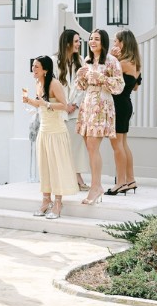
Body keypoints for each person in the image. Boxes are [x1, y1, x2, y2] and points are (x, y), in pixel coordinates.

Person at [23, 55, 78, 219]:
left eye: (36, 67)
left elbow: (64, 106)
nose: (33, 69)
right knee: (44, 167)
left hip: (56, 132)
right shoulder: (38, 83)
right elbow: (42, 106)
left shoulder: (54, 83)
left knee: (56, 168)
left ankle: (58, 203)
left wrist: (45, 104)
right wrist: (29, 101)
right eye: (33, 66)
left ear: (45, 70)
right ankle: (45, 200)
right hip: (44, 131)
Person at [74, 28, 123, 204]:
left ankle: (96, 187)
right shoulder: (87, 60)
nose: (92, 42)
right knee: (89, 146)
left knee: (93, 146)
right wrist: (80, 76)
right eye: (90, 39)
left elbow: (119, 86)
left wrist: (101, 77)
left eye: (96, 39)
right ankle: (96, 186)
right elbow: (81, 86)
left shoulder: (112, 61)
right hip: (88, 103)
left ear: (103, 42)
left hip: (102, 104)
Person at [106, 30, 142, 196]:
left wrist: (111, 58)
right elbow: (135, 87)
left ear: (123, 43)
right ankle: (130, 179)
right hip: (126, 103)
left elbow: (106, 75)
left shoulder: (123, 63)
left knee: (117, 145)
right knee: (123, 144)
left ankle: (120, 182)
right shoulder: (135, 63)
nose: (114, 45)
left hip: (118, 105)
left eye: (116, 41)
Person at [56, 29, 90, 190]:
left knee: (76, 145)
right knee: (61, 145)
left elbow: (84, 86)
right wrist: (64, 104)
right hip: (59, 111)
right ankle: (67, 178)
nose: (79, 44)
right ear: (68, 43)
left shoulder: (81, 61)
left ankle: (77, 176)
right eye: (76, 41)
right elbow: (53, 86)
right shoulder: (55, 61)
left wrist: (74, 104)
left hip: (75, 111)